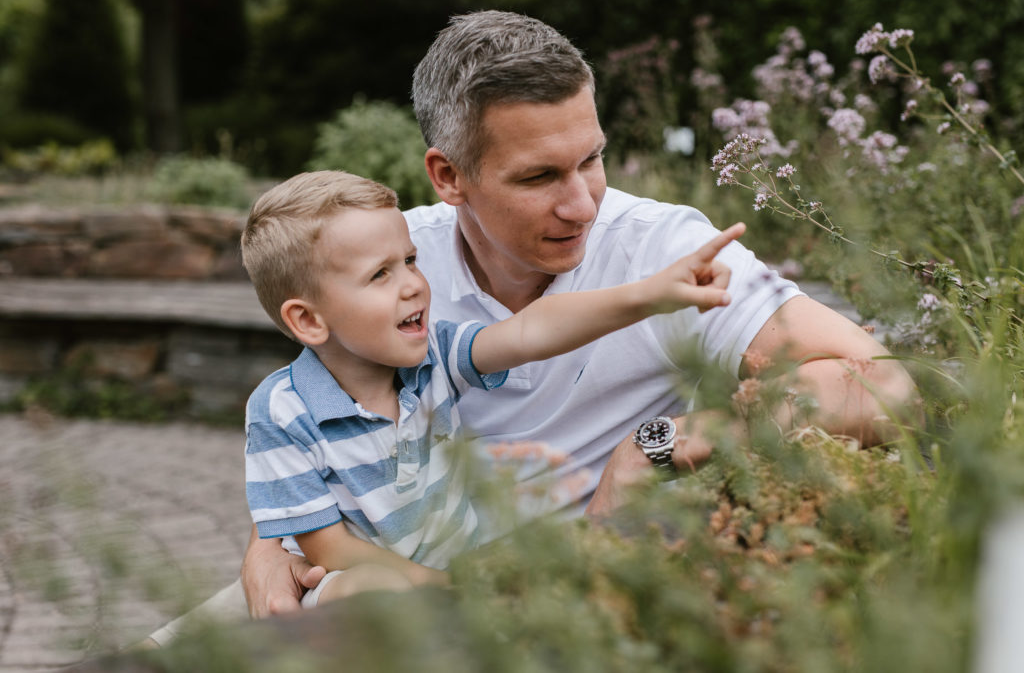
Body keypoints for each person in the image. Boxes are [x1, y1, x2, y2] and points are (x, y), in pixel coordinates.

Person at [142, 10, 918, 645]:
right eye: (540, 176)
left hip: (543, 594)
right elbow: (315, 424)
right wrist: (269, 542)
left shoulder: (664, 251)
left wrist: (660, 441)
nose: (582, 203)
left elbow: (884, 384)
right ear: (448, 176)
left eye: (593, 159)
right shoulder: (395, 265)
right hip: (372, 575)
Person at [240, 168, 743, 607]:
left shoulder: (435, 357)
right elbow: (329, 549)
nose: (413, 284)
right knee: (370, 589)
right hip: (358, 585)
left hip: (464, 566)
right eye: (380, 275)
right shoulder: (281, 412)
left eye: (410, 260)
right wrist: (441, 587)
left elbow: (530, 331)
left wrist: (649, 295)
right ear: (309, 320)